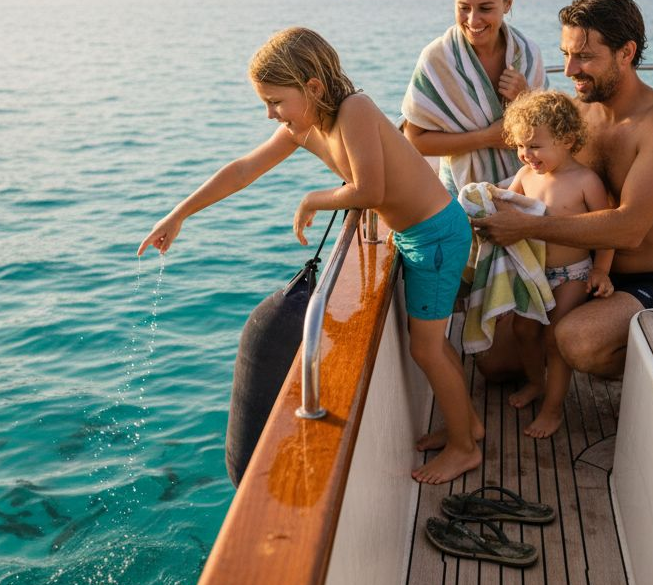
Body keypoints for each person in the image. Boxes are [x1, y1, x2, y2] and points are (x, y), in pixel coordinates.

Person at [137, 27, 482, 484]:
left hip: (435, 236)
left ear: (313, 88)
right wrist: (179, 214)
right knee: (431, 343)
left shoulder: (354, 110)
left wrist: (312, 200)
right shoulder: (303, 128)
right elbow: (243, 170)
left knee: (427, 347)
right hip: (417, 235)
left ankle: (464, 447)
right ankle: (468, 424)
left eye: (275, 101)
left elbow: (371, 189)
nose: (269, 114)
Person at [473, 0, 653, 381]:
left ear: (626, 53)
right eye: (565, 54)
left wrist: (525, 227)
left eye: (584, 56)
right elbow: (536, 177)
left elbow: (629, 229)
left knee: (576, 340)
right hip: (581, 274)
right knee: (492, 362)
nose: (569, 69)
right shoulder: (575, 115)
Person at [500, 90, 614, 437]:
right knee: (524, 330)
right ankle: (537, 382)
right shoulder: (526, 175)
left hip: (572, 275)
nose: (527, 154)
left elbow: (607, 230)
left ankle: (553, 409)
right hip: (535, 274)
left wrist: (601, 270)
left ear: (566, 139)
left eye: (535, 145)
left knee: (554, 339)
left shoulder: (585, 181)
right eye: (521, 145)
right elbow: (508, 203)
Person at [401, 0, 548, 196]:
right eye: (464, 7)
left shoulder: (528, 55)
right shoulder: (437, 59)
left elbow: (549, 134)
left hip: (526, 186)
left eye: (485, 8)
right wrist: (486, 137)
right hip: (459, 193)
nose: (472, 20)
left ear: (508, 3)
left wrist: (527, 99)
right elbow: (415, 140)